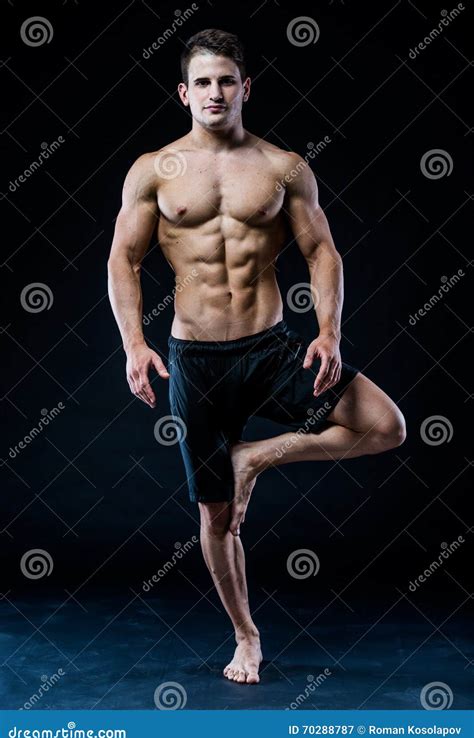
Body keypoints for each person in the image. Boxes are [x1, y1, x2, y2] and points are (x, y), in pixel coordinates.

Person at [107, 28, 406, 686]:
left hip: (271, 350)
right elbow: (123, 260)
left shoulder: (283, 167)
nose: (215, 93)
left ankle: (260, 455)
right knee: (215, 513)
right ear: (184, 94)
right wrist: (134, 344)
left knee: (386, 425)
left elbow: (322, 250)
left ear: (246, 88)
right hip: (195, 361)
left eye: (226, 81)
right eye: (203, 83)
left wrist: (328, 330)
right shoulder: (154, 171)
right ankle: (247, 635)